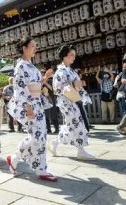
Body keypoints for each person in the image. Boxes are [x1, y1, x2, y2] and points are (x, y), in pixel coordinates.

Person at [6, 36, 57, 182]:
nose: (35, 48)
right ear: (24, 48)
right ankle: (34, 166)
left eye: (35, 46)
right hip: (28, 105)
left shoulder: (32, 66)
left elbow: (37, 85)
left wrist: (45, 78)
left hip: (37, 104)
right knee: (36, 135)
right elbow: (21, 88)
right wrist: (28, 107)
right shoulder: (20, 66)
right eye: (33, 46)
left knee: (41, 135)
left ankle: (22, 161)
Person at [50, 44, 95, 160]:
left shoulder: (70, 70)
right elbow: (58, 88)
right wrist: (75, 84)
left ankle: (54, 143)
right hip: (66, 102)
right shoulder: (60, 71)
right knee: (78, 123)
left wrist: (80, 84)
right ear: (64, 56)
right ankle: (81, 150)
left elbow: (76, 84)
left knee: (70, 126)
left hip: (73, 100)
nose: (74, 57)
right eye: (71, 55)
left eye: (74, 55)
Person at [41, 70, 60, 134]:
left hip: (52, 99)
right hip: (44, 101)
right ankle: (48, 129)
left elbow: (53, 89)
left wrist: (45, 82)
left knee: (53, 114)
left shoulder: (51, 80)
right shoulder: (40, 83)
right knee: (46, 116)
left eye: (43, 74)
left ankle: (57, 129)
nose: (42, 76)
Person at [115, 55, 126, 135]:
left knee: (125, 112)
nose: (124, 66)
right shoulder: (124, 71)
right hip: (122, 94)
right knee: (125, 112)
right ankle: (121, 126)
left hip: (123, 94)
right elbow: (123, 80)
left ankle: (123, 127)